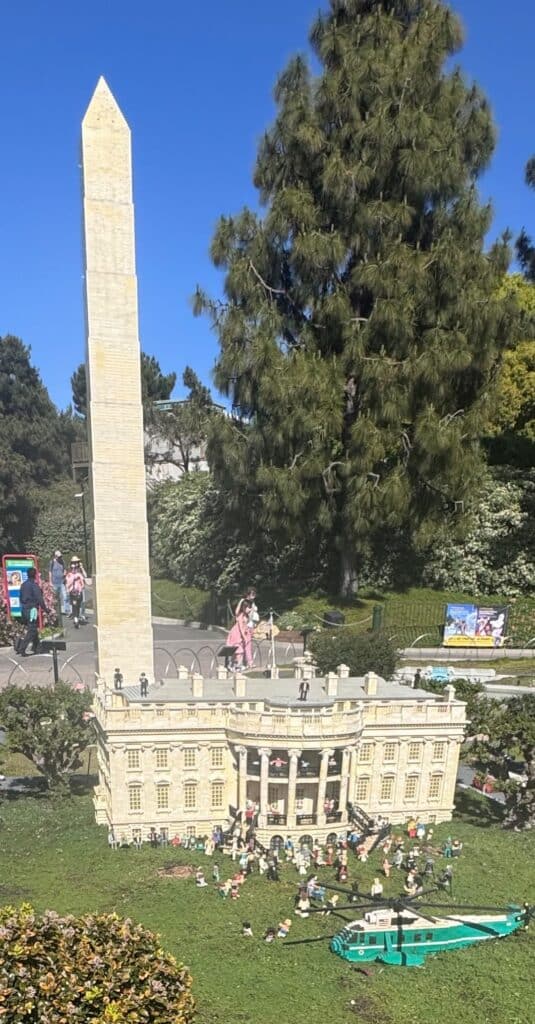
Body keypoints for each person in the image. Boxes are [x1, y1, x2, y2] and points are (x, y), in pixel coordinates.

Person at [17, 568, 49, 656]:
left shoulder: (23, 585)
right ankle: (22, 648)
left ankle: (37, 647)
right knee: (32, 630)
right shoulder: (34, 586)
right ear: (35, 575)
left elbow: (20, 597)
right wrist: (45, 609)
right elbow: (39, 598)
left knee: (33, 628)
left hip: (24, 609)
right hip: (32, 610)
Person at [226, 600, 253, 669]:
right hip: (236, 634)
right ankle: (237, 665)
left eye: (250, 608)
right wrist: (244, 637)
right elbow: (241, 627)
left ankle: (234, 664)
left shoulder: (246, 616)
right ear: (243, 608)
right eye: (248, 608)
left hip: (240, 635)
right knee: (238, 650)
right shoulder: (240, 615)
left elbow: (245, 626)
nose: (249, 609)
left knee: (238, 650)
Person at [65, 558, 85, 628]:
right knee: (74, 605)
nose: (73, 569)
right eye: (72, 568)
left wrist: (81, 587)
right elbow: (67, 584)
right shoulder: (69, 575)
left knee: (78, 605)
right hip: (72, 593)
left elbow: (83, 583)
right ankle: (76, 619)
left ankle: (77, 617)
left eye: (75, 568)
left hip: (79, 592)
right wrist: (72, 579)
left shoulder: (79, 574)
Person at [48, 550, 68, 615]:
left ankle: (66, 610)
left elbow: (65, 569)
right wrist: (50, 581)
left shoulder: (63, 562)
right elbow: (50, 572)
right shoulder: (52, 562)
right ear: (55, 557)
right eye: (59, 557)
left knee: (65, 596)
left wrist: (65, 573)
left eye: (61, 556)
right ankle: (55, 611)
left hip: (62, 582)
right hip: (55, 582)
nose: (60, 558)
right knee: (55, 597)